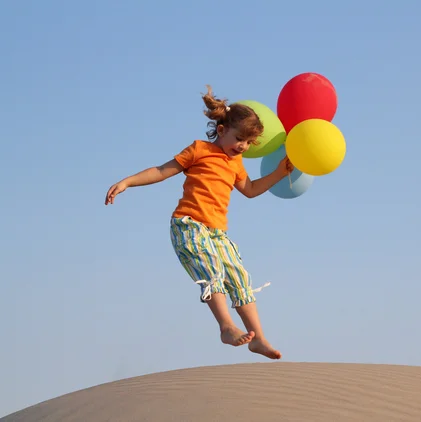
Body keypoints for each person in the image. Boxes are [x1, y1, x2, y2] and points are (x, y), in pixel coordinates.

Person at [104, 85, 293, 360]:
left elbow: (250, 190)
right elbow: (161, 170)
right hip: (189, 225)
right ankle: (226, 326)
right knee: (211, 269)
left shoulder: (236, 162)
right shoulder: (199, 150)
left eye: (249, 143)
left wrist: (278, 173)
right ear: (221, 130)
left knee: (239, 278)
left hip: (218, 233)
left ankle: (258, 338)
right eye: (239, 138)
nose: (243, 146)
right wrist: (126, 183)